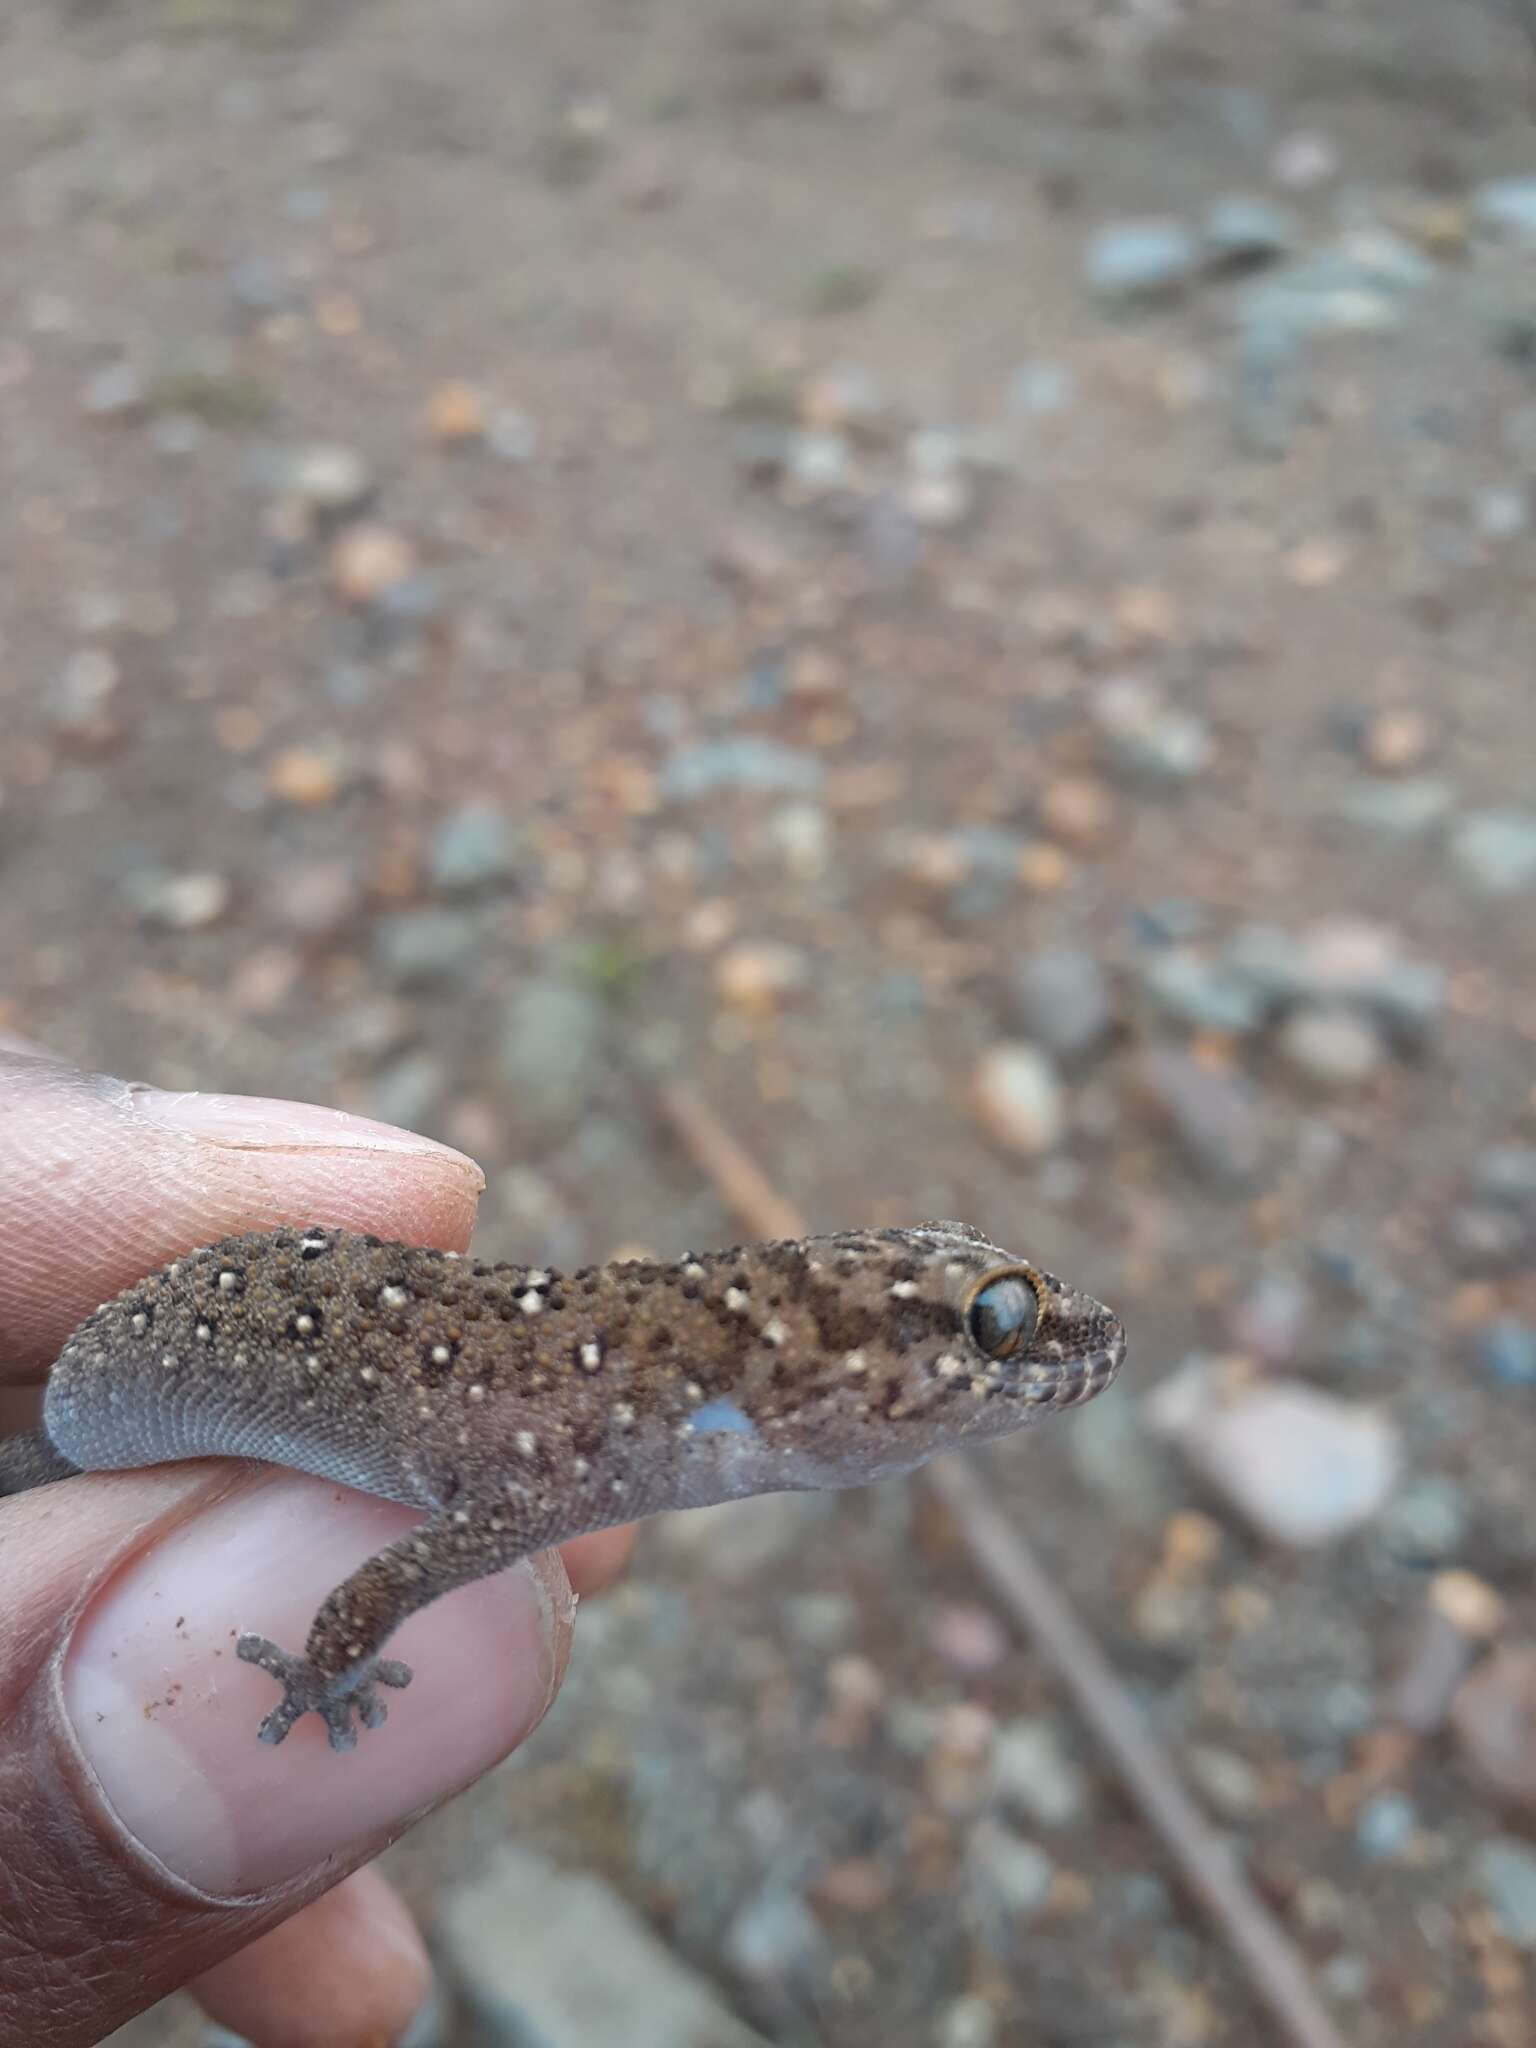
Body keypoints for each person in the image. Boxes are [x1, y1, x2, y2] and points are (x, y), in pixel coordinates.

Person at [0, 1043, 632, 2047]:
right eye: (984, 1328)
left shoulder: (545, 1458)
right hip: (91, 1415)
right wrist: (323, 1677)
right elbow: (364, 1596)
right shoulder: (539, 1468)